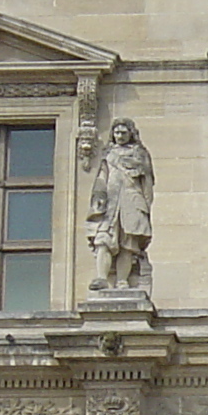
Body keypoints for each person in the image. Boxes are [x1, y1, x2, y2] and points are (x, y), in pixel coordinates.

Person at [86, 119, 155, 291]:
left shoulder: (140, 153)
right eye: (117, 132)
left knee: (128, 243)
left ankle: (122, 281)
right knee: (103, 239)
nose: (120, 136)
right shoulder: (108, 153)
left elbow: (147, 182)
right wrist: (99, 194)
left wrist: (146, 205)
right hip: (110, 202)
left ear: (131, 133)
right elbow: (102, 176)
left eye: (123, 132)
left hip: (131, 200)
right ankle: (102, 278)